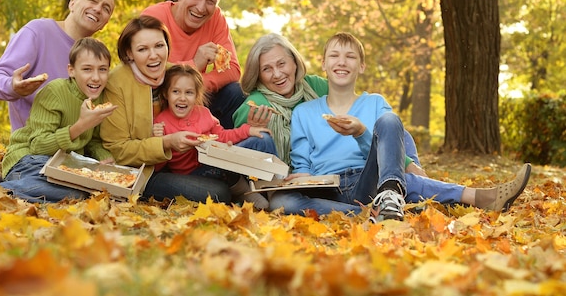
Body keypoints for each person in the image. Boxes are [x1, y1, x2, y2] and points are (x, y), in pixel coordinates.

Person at [269, 32, 532, 221]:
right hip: (330, 189)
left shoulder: (374, 103)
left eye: (350, 56)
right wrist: (303, 177)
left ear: (361, 66)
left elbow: (391, 144)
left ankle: (391, 196)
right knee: (284, 202)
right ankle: (376, 211)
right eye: (334, 55)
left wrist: (362, 133)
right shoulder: (304, 112)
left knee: (390, 121)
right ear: (323, 64)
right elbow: (302, 164)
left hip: (369, 180)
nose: (341, 61)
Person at [0, 38, 118, 202]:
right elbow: (38, 145)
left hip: (62, 165)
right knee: (74, 192)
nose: (96, 77)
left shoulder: (100, 99)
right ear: (71, 70)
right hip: (29, 158)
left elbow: (92, 140)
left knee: (84, 188)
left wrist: (105, 158)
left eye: (102, 69)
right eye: (87, 69)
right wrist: (80, 126)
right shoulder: (55, 92)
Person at [233, 33, 422, 169]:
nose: (277, 74)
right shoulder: (255, 106)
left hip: (343, 160)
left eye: (282, 64)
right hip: (292, 172)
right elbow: (241, 151)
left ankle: (414, 175)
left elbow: (357, 103)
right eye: (267, 69)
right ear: (258, 74)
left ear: (294, 62)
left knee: (394, 128)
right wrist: (249, 130)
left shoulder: (314, 86)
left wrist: (407, 163)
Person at [99, 16, 235, 203]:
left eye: (159, 46)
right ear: (129, 53)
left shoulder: (174, 74)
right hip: (144, 171)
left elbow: (194, 113)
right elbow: (118, 150)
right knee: (219, 193)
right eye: (142, 49)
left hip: (187, 162)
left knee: (234, 93)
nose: (154, 55)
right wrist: (165, 143)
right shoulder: (117, 83)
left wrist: (212, 126)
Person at [0, 0, 115, 132]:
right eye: (93, 0)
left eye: (106, 9)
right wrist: (13, 86)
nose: (98, 9)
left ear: (105, 23)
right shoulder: (38, 31)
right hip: (34, 146)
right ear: (72, 3)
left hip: (76, 147)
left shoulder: (97, 57)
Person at [141, 0, 245, 129]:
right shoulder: (153, 18)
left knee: (236, 93)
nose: (201, 8)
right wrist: (194, 65)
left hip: (193, 101)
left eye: (211, 1)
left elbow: (232, 69)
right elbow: (144, 72)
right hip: (158, 101)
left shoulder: (216, 18)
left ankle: (222, 147)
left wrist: (195, 85)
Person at [153, 64, 273, 209]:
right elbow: (158, 166)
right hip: (191, 175)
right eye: (176, 92)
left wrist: (247, 130)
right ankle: (243, 193)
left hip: (213, 161)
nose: (182, 98)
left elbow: (221, 136)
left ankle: (257, 192)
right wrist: (159, 141)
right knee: (220, 170)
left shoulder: (203, 113)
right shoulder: (162, 122)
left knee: (240, 150)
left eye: (189, 92)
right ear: (166, 94)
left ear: (197, 95)